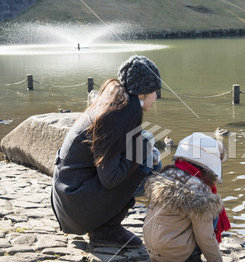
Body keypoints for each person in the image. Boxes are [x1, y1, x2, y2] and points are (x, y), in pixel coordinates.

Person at [51, 55, 162, 247]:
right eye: (155, 91)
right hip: (76, 208)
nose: (156, 96)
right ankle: (106, 230)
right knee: (148, 165)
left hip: (69, 199)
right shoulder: (118, 115)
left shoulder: (113, 103)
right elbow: (110, 178)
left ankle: (105, 225)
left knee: (149, 161)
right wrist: (143, 147)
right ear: (143, 93)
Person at [143, 132, 230, 262]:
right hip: (173, 255)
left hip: (153, 251)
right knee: (212, 211)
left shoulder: (167, 175)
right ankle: (189, 261)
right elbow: (205, 235)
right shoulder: (200, 191)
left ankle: (174, 255)